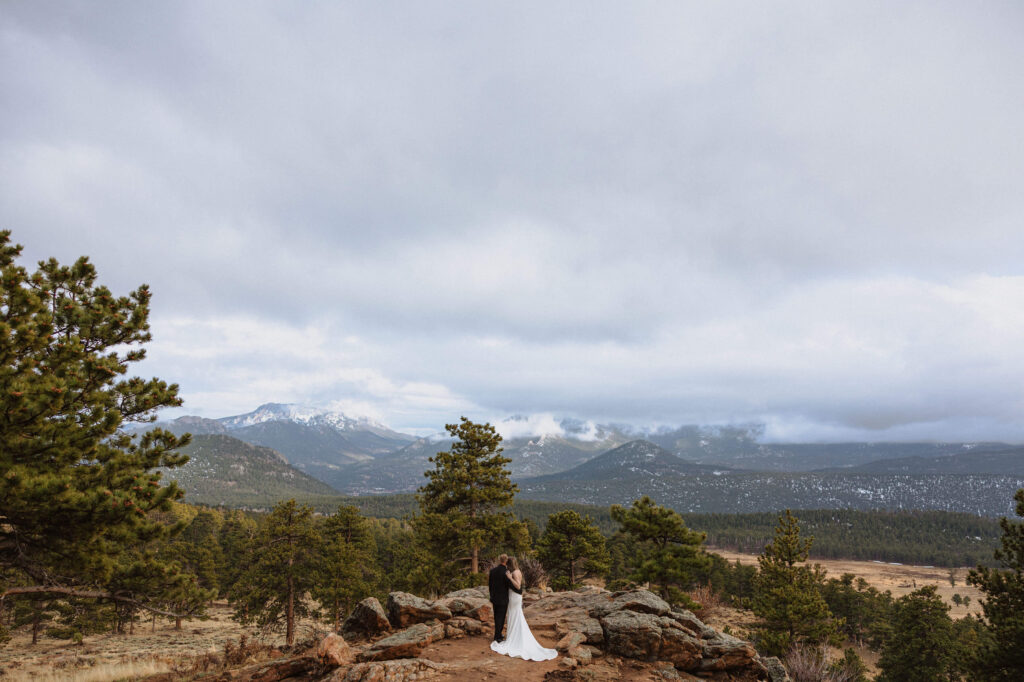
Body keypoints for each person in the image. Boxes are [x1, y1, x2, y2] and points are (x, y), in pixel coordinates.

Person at [489, 556, 558, 661]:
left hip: (514, 596)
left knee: (515, 615)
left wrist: (509, 578)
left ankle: (514, 638)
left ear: (509, 564)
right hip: (513, 597)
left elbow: (517, 586)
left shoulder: (515, 573)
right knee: (514, 615)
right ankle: (512, 636)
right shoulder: (516, 571)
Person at [488, 553, 512, 642]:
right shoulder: (506, 572)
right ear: (506, 561)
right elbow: (508, 585)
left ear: (499, 560)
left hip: (494, 597)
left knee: (496, 616)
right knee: (501, 617)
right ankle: (498, 636)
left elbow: (490, 585)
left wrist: (491, 595)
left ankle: (497, 634)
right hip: (503, 598)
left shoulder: (492, 571)